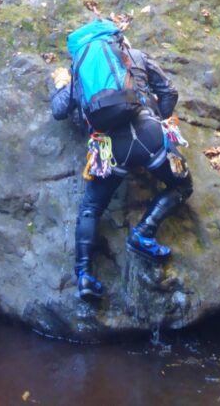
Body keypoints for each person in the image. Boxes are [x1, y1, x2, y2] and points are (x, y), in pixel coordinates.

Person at [50, 19, 194, 302]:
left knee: (91, 208)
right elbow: (169, 92)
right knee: (181, 186)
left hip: (109, 149)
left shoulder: (78, 74)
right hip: (150, 136)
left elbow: (59, 110)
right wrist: (161, 122)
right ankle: (144, 232)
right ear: (117, 39)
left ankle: (84, 277)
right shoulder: (136, 56)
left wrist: (59, 84)